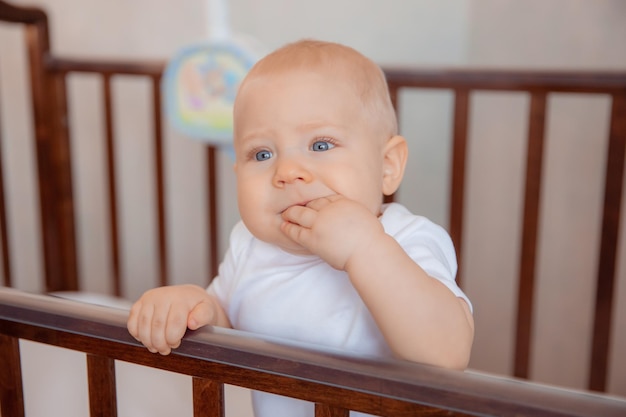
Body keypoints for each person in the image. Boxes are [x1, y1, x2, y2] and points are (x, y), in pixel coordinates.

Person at [128, 39, 474, 416]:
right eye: (262, 154)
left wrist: (364, 248)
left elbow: (446, 353)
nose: (287, 172)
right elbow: (226, 322)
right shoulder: (249, 245)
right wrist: (193, 306)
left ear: (388, 165)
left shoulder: (408, 239)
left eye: (321, 145)